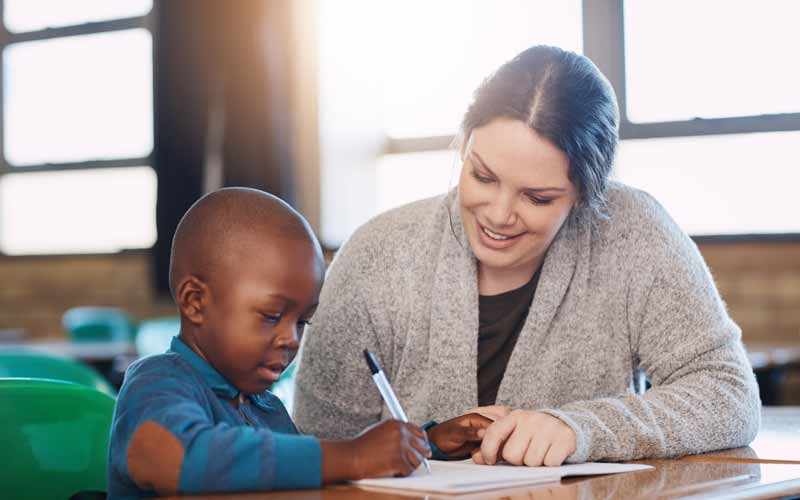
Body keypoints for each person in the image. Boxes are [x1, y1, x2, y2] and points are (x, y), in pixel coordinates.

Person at [293, 45, 761, 467]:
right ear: (464, 145)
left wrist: (582, 428)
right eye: (482, 176)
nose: (498, 215)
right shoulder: (378, 253)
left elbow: (728, 394)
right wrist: (427, 442)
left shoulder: (631, 230)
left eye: (537, 198)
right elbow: (316, 443)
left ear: (585, 195)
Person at [107, 187, 490, 497]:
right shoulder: (156, 383)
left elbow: (294, 465)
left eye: (303, 321)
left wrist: (422, 443)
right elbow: (178, 461)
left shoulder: (265, 407)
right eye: (271, 316)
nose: (291, 339)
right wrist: (355, 455)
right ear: (195, 302)